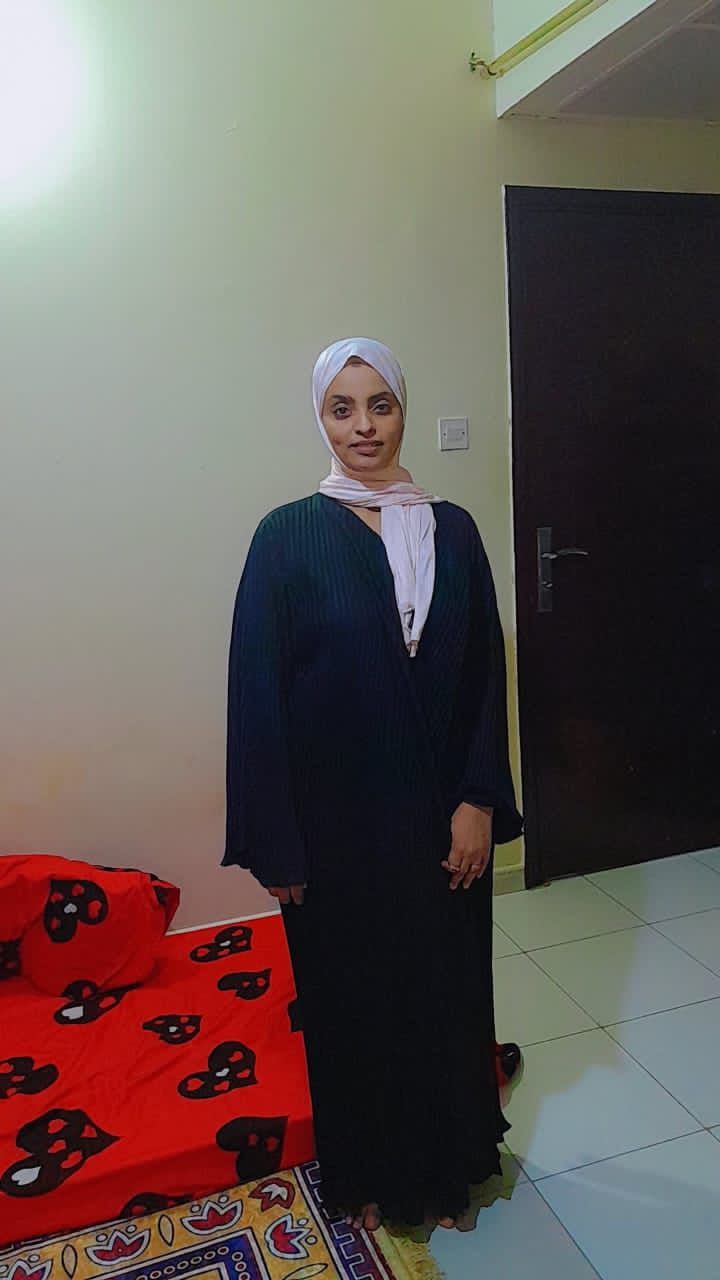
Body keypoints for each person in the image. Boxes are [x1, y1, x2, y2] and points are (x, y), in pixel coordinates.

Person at [224, 337, 523, 1233]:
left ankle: (454, 1171)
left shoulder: (453, 530)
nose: (363, 426)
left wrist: (478, 800)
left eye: (380, 405)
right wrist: (278, 845)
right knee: (356, 1007)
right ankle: (368, 1173)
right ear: (320, 418)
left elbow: (483, 675)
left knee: (445, 998)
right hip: (336, 838)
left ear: (402, 411)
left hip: (442, 825)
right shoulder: (285, 537)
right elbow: (257, 695)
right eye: (342, 408)